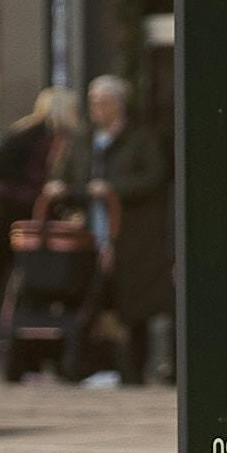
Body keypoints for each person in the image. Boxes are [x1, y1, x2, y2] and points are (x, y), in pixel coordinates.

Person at [0, 87, 71, 384]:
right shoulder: (42, 140)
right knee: (22, 292)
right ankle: (19, 362)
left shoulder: (20, 135)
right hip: (13, 225)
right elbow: (33, 183)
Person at [85, 71, 172, 385]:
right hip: (91, 233)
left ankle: (136, 369)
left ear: (118, 105)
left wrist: (112, 188)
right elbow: (75, 175)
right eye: (93, 102)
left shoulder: (140, 138)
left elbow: (155, 176)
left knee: (139, 304)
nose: (97, 109)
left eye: (103, 102)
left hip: (133, 235)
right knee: (94, 303)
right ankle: (95, 366)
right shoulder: (87, 141)